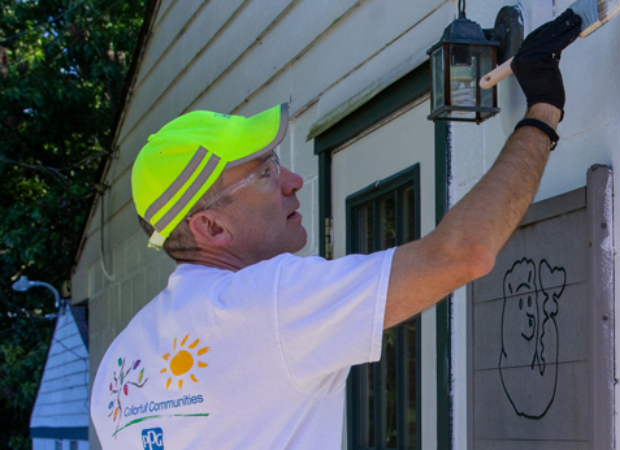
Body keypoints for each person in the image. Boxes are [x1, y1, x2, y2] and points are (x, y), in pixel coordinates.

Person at [90, 10, 582, 449]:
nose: (292, 181)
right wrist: (541, 114)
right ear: (211, 226)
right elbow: (463, 254)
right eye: (264, 173)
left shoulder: (117, 366)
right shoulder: (267, 304)